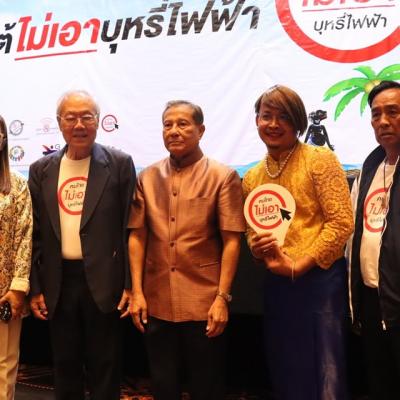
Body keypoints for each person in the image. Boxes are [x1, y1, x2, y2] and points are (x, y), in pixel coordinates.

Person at [128, 100, 245, 400]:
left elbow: (232, 241)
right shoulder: (147, 177)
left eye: (182, 124)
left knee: (207, 387)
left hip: (204, 302)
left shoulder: (223, 176)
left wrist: (222, 298)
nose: (174, 131)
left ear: (200, 130)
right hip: (156, 301)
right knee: (162, 385)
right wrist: (137, 292)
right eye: (167, 125)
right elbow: (138, 236)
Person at [242, 85, 353, 400]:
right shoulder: (252, 177)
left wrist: (300, 265)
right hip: (278, 282)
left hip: (320, 280)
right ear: (257, 120)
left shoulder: (320, 159)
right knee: (286, 361)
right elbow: (252, 230)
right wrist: (256, 248)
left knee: (325, 365)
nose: (273, 124)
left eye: (284, 117)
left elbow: (341, 222)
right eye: (266, 116)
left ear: (299, 122)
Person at [28, 90, 135, 400]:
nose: (79, 125)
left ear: (98, 121)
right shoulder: (41, 169)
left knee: (106, 365)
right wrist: (36, 288)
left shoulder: (119, 164)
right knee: (65, 365)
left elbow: (130, 228)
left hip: (105, 281)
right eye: (71, 118)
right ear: (59, 122)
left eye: (86, 117)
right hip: (58, 282)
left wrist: (130, 285)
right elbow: (35, 234)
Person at [347, 80, 400, 400]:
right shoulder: (370, 166)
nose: (383, 121)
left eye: (393, 112)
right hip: (371, 300)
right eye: (376, 114)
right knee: (380, 385)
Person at [0, 115, 32, 400]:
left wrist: (18, 287)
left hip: (4, 291)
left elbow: (24, 236)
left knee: (3, 364)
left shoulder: (17, 185)